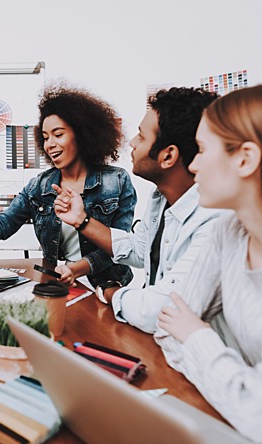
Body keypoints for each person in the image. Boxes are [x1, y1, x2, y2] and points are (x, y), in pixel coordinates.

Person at [155, 84, 262, 442]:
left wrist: (198, 336)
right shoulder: (228, 232)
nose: (192, 165)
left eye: (203, 150)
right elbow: (167, 329)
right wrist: (238, 386)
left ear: (245, 159)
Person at [0, 85, 135, 288]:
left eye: (58, 134)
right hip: (58, 284)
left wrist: (77, 269)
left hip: (110, 287)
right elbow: (4, 222)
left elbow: (119, 247)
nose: (50, 144)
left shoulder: (116, 182)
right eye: (45, 137)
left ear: (81, 135)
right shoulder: (39, 186)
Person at [54, 87, 221, 333]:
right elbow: (139, 249)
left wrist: (113, 294)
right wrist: (81, 219)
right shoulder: (161, 199)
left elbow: (161, 309)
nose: (132, 143)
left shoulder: (214, 220)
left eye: (141, 137)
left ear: (168, 156)